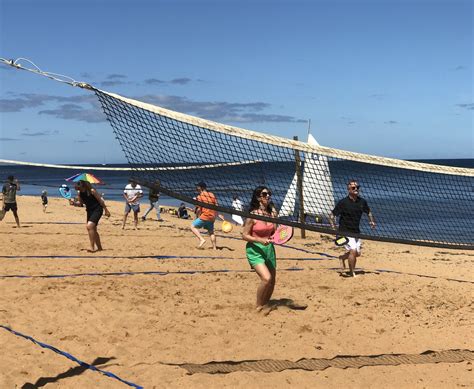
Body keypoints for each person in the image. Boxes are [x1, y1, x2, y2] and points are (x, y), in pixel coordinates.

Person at [242, 186, 278, 314]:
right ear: (258, 197)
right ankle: (258, 306)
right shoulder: (252, 215)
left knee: (272, 281)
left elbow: (275, 231)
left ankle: (265, 304)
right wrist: (260, 240)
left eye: (269, 194)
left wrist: (275, 216)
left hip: (269, 248)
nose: (268, 196)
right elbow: (244, 235)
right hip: (255, 249)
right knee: (266, 278)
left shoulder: (272, 213)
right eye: (264, 194)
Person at [330, 180, 376, 277]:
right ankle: (352, 273)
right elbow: (331, 216)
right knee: (353, 251)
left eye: (357, 187)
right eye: (354, 188)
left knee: (357, 253)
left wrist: (371, 221)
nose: (356, 189)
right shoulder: (343, 202)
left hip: (356, 232)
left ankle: (342, 258)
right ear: (349, 190)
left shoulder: (362, 202)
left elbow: (368, 212)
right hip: (344, 231)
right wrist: (333, 229)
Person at [70, 180, 110, 252]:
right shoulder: (80, 193)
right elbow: (81, 204)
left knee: (89, 226)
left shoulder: (92, 191)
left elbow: (100, 201)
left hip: (97, 209)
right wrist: (74, 203)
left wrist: (106, 210)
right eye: (78, 188)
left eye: (80, 188)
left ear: (84, 186)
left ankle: (92, 247)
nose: (79, 189)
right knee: (93, 229)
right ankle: (99, 247)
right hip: (89, 211)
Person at [190, 182, 223, 249]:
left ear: (201, 188)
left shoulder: (200, 196)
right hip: (212, 216)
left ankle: (201, 239)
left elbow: (198, 206)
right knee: (211, 232)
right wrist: (218, 214)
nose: (197, 188)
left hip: (205, 215)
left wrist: (194, 202)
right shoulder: (211, 194)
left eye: (198, 187)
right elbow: (216, 205)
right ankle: (214, 248)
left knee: (192, 226)